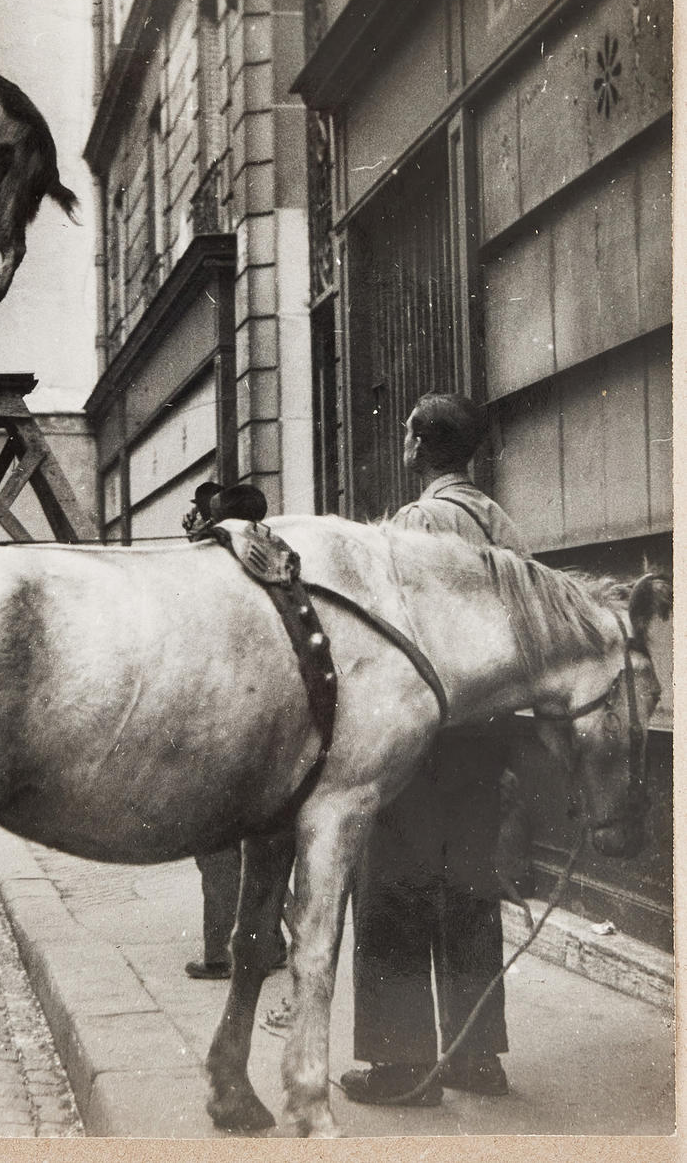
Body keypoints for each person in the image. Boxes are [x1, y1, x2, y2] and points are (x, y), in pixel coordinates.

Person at [341, 392, 531, 1105]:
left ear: (418, 446)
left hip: (425, 738)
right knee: (470, 892)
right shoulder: (502, 524)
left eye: (405, 435)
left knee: (391, 890)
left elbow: (398, 633)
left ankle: (400, 1069)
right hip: (486, 735)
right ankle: (476, 1060)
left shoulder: (418, 521)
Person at [181, 481, 287, 980]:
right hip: (274, 719)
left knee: (217, 845)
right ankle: (271, 941)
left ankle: (220, 952)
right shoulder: (280, 556)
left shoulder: (213, 561)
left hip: (223, 720)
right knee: (266, 841)